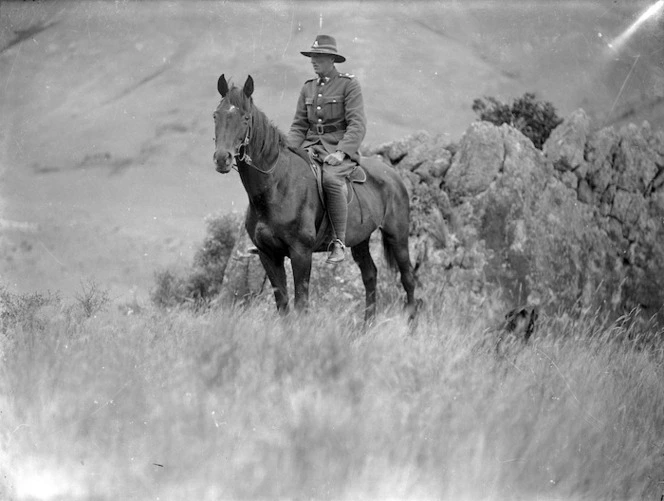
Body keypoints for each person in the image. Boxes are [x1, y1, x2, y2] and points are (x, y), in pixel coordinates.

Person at [287, 34, 367, 264]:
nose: (313, 61)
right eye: (312, 56)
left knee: (331, 181)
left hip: (337, 149)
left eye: (319, 57)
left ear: (332, 59)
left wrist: (341, 152)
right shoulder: (308, 88)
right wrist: (288, 151)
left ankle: (338, 242)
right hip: (311, 148)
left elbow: (356, 125)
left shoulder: (348, 85)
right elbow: (299, 126)